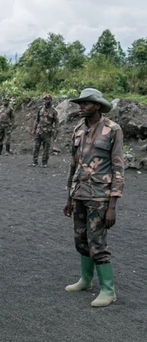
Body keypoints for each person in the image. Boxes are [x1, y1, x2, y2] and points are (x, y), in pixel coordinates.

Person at [63, 88, 123, 307]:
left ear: (96, 105)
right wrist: (69, 196)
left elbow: (118, 167)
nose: (81, 106)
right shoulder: (78, 130)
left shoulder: (112, 130)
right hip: (79, 194)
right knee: (81, 239)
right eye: (80, 103)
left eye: (85, 103)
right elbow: (73, 165)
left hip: (100, 196)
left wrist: (112, 205)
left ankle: (108, 290)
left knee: (97, 241)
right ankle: (86, 280)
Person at [30, 94, 58, 167]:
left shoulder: (53, 111)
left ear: (51, 100)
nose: (46, 101)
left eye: (48, 99)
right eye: (45, 99)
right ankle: (34, 162)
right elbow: (37, 120)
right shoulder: (40, 109)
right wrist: (34, 129)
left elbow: (56, 122)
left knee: (46, 148)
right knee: (36, 146)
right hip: (39, 131)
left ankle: (44, 163)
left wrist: (55, 131)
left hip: (47, 132)